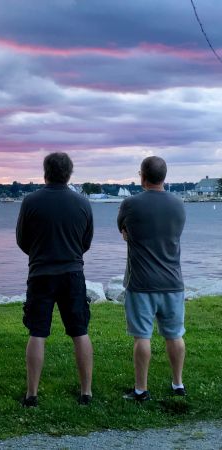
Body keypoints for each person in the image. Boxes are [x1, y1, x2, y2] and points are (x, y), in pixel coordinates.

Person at [16, 152, 94, 407]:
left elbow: (22, 239)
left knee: (38, 332)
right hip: (72, 273)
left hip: (41, 273)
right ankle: (86, 392)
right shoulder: (82, 204)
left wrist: (40, 253)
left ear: (45, 172)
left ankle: (32, 394)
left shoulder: (30, 202)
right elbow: (86, 241)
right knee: (80, 332)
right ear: (69, 173)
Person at [118, 156, 186, 401]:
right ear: (164, 177)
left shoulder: (130, 204)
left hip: (141, 283)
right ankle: (178, 384)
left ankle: (141, 389)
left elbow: (123, 230)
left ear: (142, 176)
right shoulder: (179, 205)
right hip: (173, 282)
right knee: (175, 334)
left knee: (142, 336)